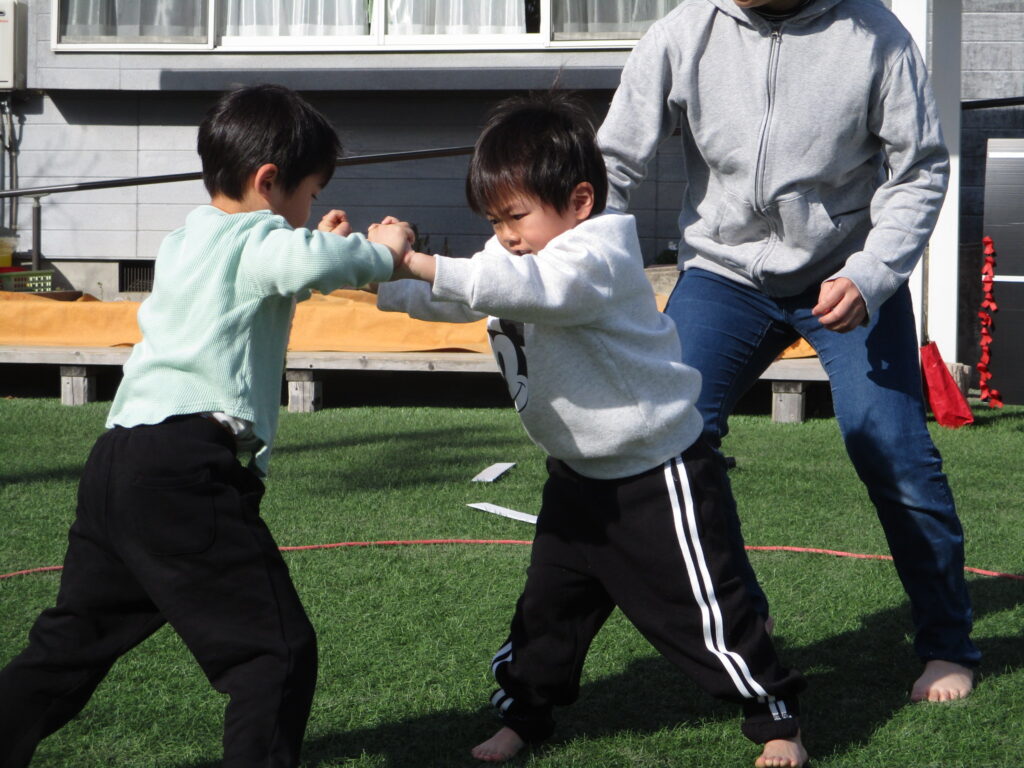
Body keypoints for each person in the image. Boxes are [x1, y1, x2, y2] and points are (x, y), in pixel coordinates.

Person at [375, 92, 809, 768]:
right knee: (547, 612)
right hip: (577, 479)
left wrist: (414, 260)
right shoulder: (515, 257)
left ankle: (774, 716)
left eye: (516, 216)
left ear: (579, 201)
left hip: (655, 474)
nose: (506, 234)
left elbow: (529, 287)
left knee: (705, 609)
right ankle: (523, 715)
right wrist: (369, 268)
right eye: (495, 220)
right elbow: (456, 294)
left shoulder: (596, 255)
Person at [0, 84, 413, 768]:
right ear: (268, 181)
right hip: (182, 468)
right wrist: (382, 251)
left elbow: (279, 267)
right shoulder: (261, 238)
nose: (309, 208)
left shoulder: (187, 237)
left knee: (71, 643)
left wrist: (314, 240)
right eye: (310, 192)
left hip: (118, 460)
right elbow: (296, 259)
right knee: (273, 653)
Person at [597, 0, 980, 703]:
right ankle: (746, 612)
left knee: (889, 445)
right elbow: (613, 163)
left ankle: (947, 642)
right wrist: (586, 267)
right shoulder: (683, 33)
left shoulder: (877, 36)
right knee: (675, 432)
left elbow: (920, 170)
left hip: (847, 271)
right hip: (723, 273)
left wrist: (871, 273)